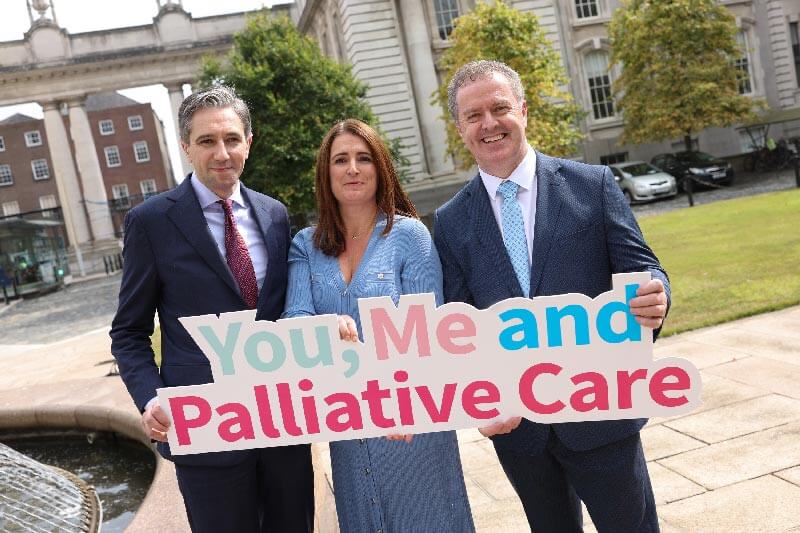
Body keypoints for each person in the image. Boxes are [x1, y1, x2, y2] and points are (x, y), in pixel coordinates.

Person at [433, 60, 670, 532]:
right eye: (474, 115)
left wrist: (657, 293)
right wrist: (476, 397)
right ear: (460, 129)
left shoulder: (593, 186)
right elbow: (457, 324)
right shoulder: (451, 220)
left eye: (499, 108)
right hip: (521, 433)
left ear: (523, 110)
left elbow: (644, 268)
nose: (489, 124)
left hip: (601, 413)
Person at [109, 86, 314, 533]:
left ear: (249, 142)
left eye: (231, 139)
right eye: (207, 141)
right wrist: (150, 396)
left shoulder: (276, 215)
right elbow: (128, 332)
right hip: (206, 431)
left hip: (283, 423)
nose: (222, 153)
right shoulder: (151, 222)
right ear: (186, 147)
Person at [283, 119, 475, 532]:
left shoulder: (409, 237)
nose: (353, 168)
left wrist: (406, 405)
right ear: (326, 172)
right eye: (341, 159)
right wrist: (324, 328)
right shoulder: (305, 245)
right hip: (348, 428)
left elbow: (430, 334)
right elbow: (293, 320)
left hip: (410, 423)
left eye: (363, 158)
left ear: (379, 167)